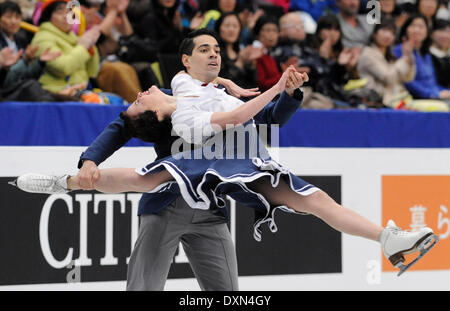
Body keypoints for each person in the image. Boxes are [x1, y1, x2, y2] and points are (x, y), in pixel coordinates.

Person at [13, 29, 439, 279]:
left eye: (217, 50)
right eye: (205, 49)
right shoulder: (170, 97)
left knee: (315, 201)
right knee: (150, 181)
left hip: (228, 176)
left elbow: (261, 119)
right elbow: (123, 125)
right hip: (187, 179)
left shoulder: (213, 89)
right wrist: (88, 162)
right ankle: (63, 181)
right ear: (185, 60)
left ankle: (390, 240)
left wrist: (285, 94)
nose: (215, 53)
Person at [30, 0, 101, 95]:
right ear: (48, 17)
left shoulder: (75, 38)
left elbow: (92, 72)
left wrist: (91, 48)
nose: (66, 16)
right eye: (60, 12)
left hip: (80, 91)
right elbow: (63, 68)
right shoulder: (43, 37)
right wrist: (83, 47)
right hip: (57, 94)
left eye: (69, 12)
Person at [357, 18, 417, 108]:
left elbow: (408, 78)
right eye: (384, 30)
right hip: (379, 103)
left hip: (398, 100)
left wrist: (409, 59)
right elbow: (388, 77)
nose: (388, 35)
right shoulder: (368, 54)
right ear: (374, 34)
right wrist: (403, 59)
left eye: (392, 33)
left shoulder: (390, 57)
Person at [393, 13, 450, 100]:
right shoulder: (399, 50)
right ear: (406, 29)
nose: (416, 30)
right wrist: (434, 94)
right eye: (412, 25)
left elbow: (432, 83)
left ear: (427, 32)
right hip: (412, 98)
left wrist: (444, 91)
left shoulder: (426, 53)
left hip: (433, 97)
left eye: (421, 26)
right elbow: (407, 82)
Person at [214, 12, 262, 89]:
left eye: (235, 26)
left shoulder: (240, 52)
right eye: (227, 25)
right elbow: (221, 84)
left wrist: (251, 65)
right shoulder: (214, 53)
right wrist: (239, 62)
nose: (231, 29)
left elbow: (252, 85)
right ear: (219, 28)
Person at [253, 14, 282, 92]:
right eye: (268, 30)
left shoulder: (269, 53)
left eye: (275, 31)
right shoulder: (255, 53)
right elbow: (261, 84)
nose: (272, 34)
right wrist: (284, 76)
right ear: (258, 33)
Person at [430, 19, 450, 88]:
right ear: (431, 33)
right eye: (441, 30)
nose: (445, 35)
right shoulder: (428, 55)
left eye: (448, 31)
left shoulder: (447, 54)